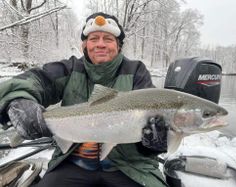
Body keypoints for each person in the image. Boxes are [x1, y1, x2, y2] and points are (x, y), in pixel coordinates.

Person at [0, 12, 168, 187]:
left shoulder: (136, 72)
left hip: (130, 166)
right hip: (72, 162)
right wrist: (18, 99)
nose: (100, 44)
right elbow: (36, 80)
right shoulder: (70, 69)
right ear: (84, 46)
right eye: (94, 38)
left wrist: (153, 143)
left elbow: (150, 116)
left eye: (108, 39)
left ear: (118, 46)